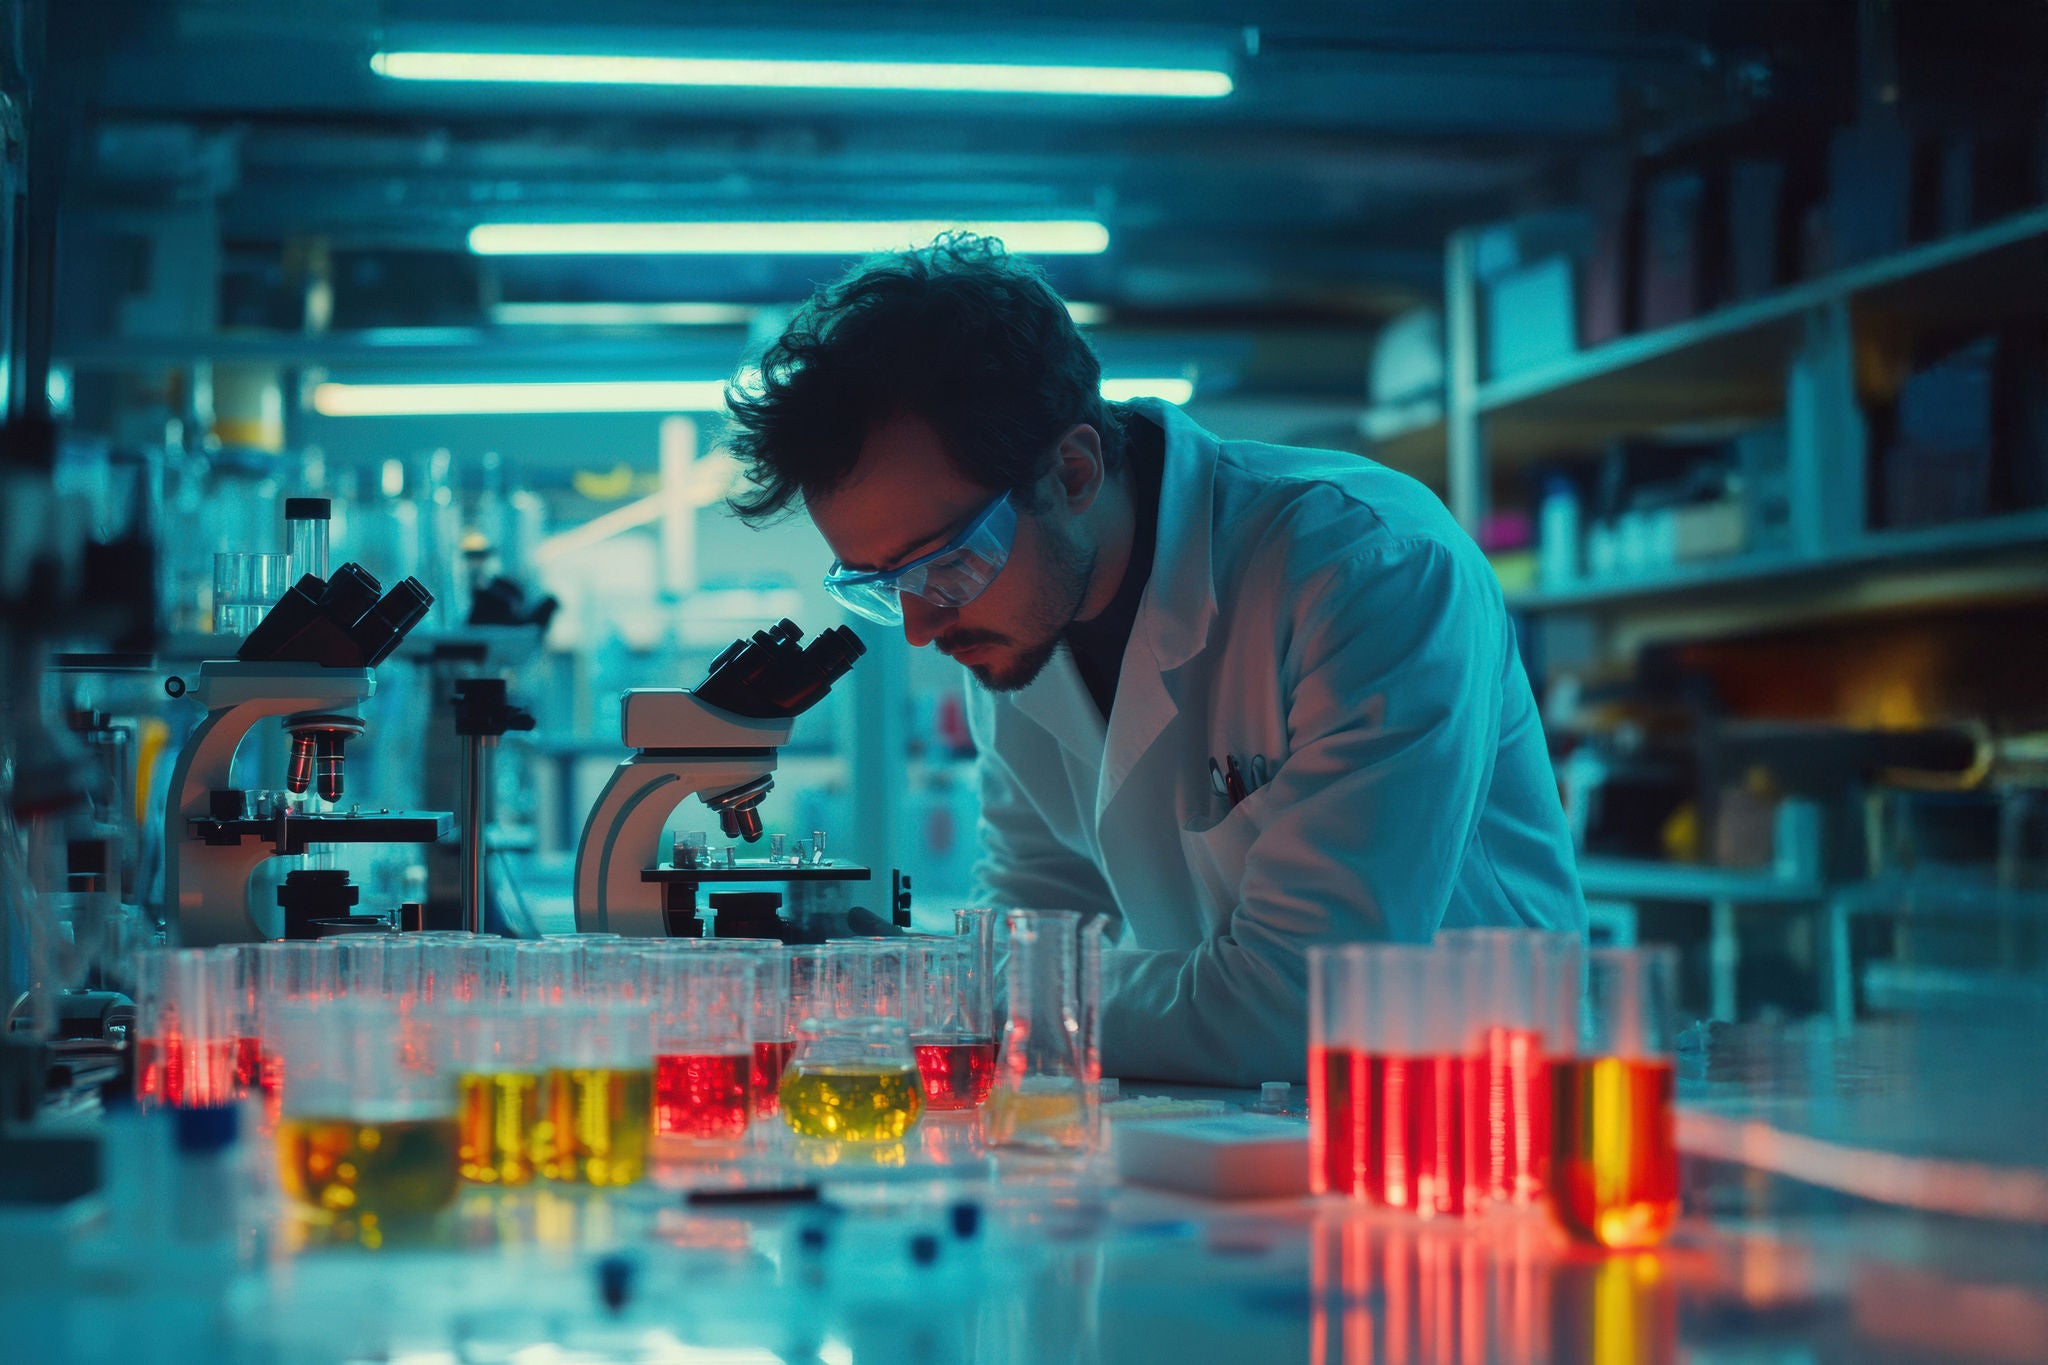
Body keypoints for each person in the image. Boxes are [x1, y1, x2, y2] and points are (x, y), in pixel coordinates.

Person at [726, 234, 1584, 1086]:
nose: (918, 624)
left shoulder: (1368, 569)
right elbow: (1034, 921)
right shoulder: (1006, 629)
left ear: (1071, 471)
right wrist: (959, 983)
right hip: (1238, 1125)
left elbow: (1302, 1003)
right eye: (879, 584)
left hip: (1479, 1110)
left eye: (944, 561)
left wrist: (962, 985)